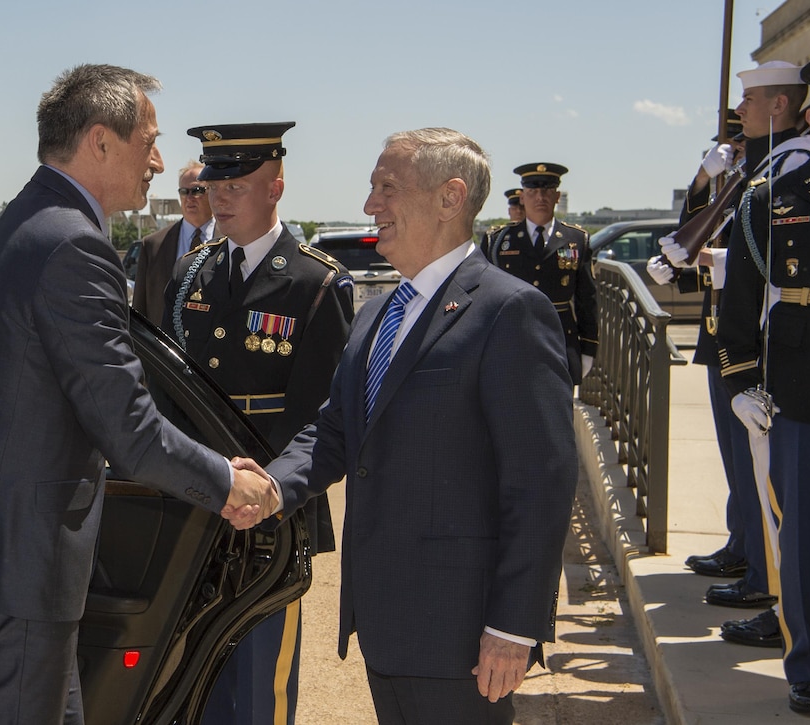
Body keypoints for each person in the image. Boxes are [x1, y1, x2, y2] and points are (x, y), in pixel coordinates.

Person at [0, 64, 276, 725]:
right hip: (18, 563)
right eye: (148, 140)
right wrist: (225, 480)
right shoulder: (72, 241)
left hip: (6, 558)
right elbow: (127, 428)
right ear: (101, 141)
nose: (159, 160)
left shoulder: (30, 220)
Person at [230, 128, 578, 724]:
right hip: (387, 617)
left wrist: (513, 626)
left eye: (388, 188)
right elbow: (336, 429)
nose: (370, 206)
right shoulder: (379, 314)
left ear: (450, 198)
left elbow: (540, 482)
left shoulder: (509, 310)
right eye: (372, 188)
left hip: (463, 629)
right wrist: (272, 486)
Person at [164, 122, 354, 725]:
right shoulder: (190, 274)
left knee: (261, 679)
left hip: (272, 512)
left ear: (275, 186)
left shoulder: (315, 282)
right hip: (200, 501)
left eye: (236, 184)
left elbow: (322, 418)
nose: (219, 196)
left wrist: (265, 492)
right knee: (197, 673)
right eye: (214, 182)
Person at [652, 61, 810, 648]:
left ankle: (778, 599)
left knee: (777, 488)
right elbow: (709, 232)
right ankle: (768, 584)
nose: (738, 111)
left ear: (779, 106)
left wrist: (719, 264)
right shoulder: (766, 164)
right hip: (740, 335)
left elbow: (778, 258)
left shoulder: (793, 167)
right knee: (759, 477)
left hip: (775, 345)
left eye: (748, 99)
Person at [716, 53, 810, 716]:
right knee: (805, 534)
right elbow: (743, 297)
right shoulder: (771, 195)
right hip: (802, 382)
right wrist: (739, 378)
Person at [487, 162, 597, 384]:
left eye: (546, 190)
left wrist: (588, 348)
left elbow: (587, 299)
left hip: (560, 339)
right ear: (523, 197)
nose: (540, 197)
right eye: (533, 191)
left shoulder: (576, 240)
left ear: (557, 196)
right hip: (510, 340)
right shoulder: (498, 241)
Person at [132, 160, 214, 323]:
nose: (189, 198)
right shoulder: (152, 245)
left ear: (212, 192)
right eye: (184, 191)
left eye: (197, 191)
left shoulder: (232, 240)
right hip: (163, 345)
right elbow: (139, 312)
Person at [479, 188, 524, 256]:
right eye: (514, 208)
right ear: (509, 211)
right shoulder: (495, 236)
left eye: (522, 208)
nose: (519, 211)